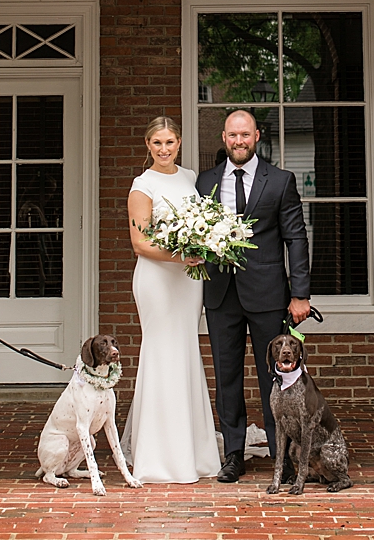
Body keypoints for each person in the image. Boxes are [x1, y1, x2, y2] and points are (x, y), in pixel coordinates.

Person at [197, 109, 312, 483]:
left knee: (275, 379)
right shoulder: (206, 182)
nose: (239, 141)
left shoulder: (280, 181)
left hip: (268, 294)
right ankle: (233, 453)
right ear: (224, 138)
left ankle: (284, 455)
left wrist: (300, 295)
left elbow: (295, 238)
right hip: (220, 294)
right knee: (226, 377)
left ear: (257, 136)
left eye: (245, 135)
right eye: (232, 135)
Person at [120, 116, 222, 483]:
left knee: (186, 352)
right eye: (157, 143)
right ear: (148, 146)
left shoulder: (192, 179)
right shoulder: (142, 185)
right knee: (161, 353)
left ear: (179, 143)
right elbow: (140, 243)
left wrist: (204, 245)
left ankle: (192, 452)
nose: (164, 149)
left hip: (188, 282)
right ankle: (158, 456)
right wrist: (183, 256)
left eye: (170, 142)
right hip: (158, 282)